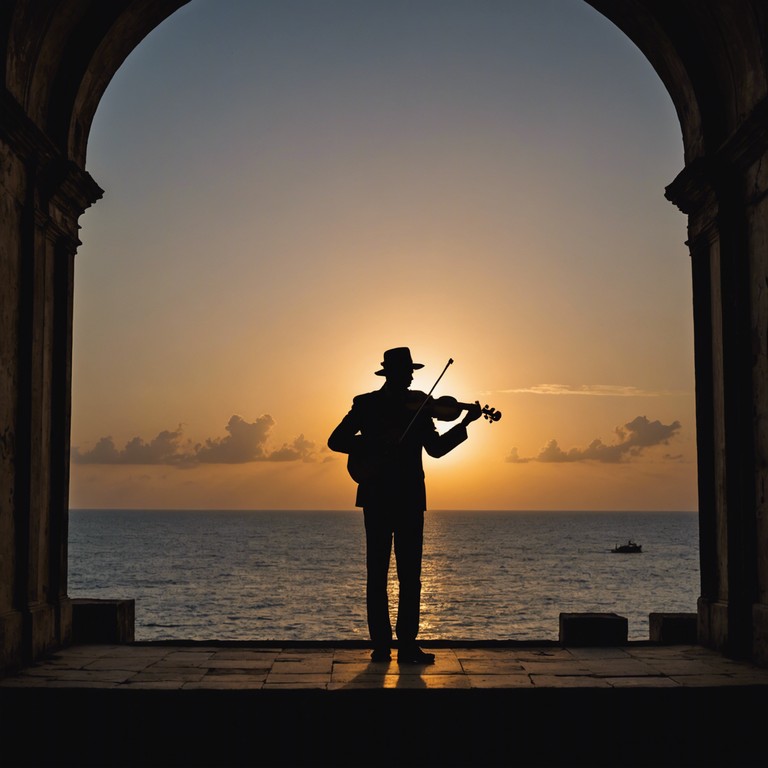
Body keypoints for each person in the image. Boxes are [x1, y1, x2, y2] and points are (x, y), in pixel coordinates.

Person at [328, 347, 482, 664]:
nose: (412, 376)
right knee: (379, 573)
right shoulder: (366, 404)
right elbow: (336, 440)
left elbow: (436, 449)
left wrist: (465, 423)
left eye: (412, 371)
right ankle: (382, 646)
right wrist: (378, 442)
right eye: (407, 371)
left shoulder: (421, 408)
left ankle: (407, 645)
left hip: (410, 498)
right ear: (392, 374)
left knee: (410, 575)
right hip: (379, 494)